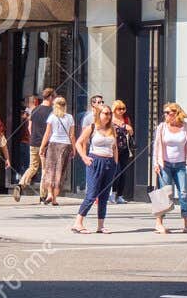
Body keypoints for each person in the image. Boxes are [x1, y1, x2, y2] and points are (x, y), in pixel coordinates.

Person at [72, 102, 120, 234]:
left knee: (104, 196)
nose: (108, 116)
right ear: (99, 114)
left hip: (109, 162)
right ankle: (78, 222)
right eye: (106, 113)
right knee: (92, 194)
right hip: (95, 161)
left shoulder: (112, 129)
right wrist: (85, 157)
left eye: (110, 113)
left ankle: (101, 225)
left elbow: (114, 147)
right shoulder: (91, 127)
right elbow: (78, 143)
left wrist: (115, 162)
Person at [152, 102, 187, 234]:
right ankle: (158, 223)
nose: (165, 115)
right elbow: (156, 146)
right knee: (163, 193)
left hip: (180, 165)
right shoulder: (162, 127)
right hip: (165, 164)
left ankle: (186, 223)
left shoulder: (186, 127)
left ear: (175, 113)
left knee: (183, 193)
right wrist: (155, 163)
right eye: (164, 112)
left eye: (168, 112)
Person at [14, 88, 55, 202]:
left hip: (33, 143)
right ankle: (43, 196)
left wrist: (33, 137)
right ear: (51, 97)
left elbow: (29, 127)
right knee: (45, 170)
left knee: (32, 167)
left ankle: (20, 185)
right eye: (54, 97)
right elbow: (52, 130)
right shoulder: (52, 111)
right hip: (46, 144)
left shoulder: (35, 110)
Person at [39, 96, 75, 206]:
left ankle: (49, 193)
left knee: (50, 169)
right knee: (60, 171)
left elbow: (47, 133)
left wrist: (42, 146)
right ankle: (54, 199)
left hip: (53, 144)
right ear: (65, 106)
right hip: (65, 145)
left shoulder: (52, 117)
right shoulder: (70, 117)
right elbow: (72, 135)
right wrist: (74, 148)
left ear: (55, 105)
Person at [111, 100, 134, 203]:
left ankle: (120, 195)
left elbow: (131, 132)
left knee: (123, 172)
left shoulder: (126, 118)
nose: (121, 111)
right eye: (119, 109)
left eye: (123, 109)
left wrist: (129, 128)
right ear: (114, 109)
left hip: (124, 147)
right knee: (116, 171)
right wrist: (123, 127)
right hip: (114, 148)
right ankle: (113, 193)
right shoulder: (110, 119)